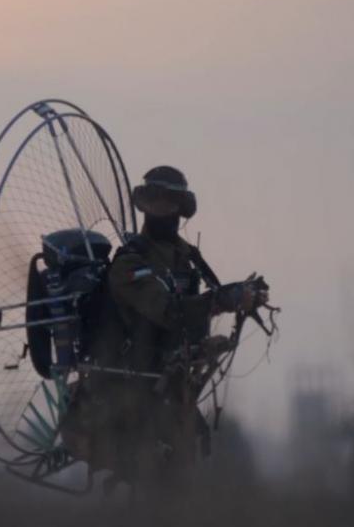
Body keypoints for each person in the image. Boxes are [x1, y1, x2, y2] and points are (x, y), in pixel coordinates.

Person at [99, 166, 268, 481]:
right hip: (134, 396)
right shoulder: (129, 263)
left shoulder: (185, 255)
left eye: (172, 202)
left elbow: (207, 296)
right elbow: (170, 311)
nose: (166, 210)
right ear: (146, 205)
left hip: (174, 393)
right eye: (158, 201)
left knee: (185, 480)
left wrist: (243, 295)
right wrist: (225, 299)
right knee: (154, 489)